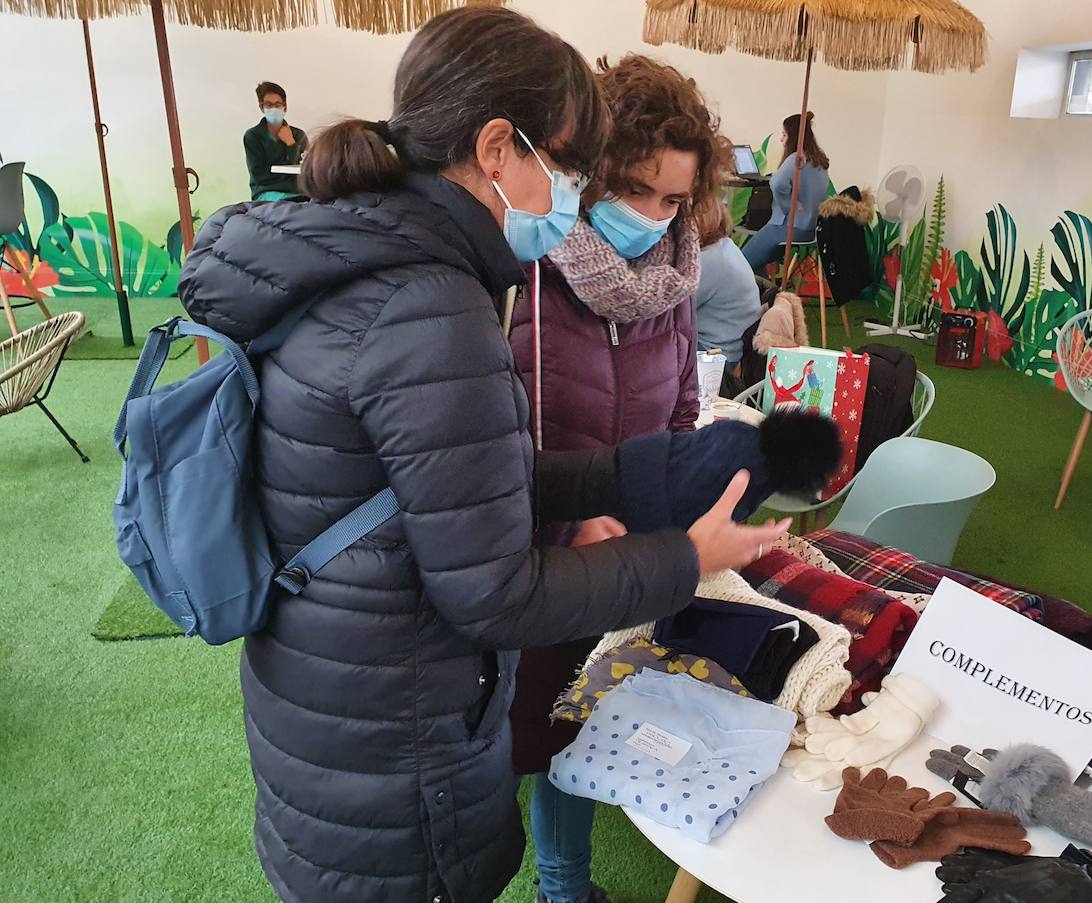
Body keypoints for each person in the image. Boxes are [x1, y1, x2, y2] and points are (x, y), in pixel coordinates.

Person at [176, 9, 788, 903]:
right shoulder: (435, 311)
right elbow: (493, 588)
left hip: (335, 688)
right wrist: (684, 558)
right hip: (399, 731)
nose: (574, 194)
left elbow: (458, 479)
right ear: (499, 147)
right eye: (574, 167)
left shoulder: (355, 253)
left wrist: (634, 473)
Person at [506, 53, 731, 903]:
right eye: (635, 189)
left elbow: (678, 415)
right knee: (510, 726)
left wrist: (668, 501)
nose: (653, 215)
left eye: (674, 198)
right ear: (588, 170)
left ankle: (563, 886)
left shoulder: (676, 279)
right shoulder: (520, 268)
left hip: (625, 555)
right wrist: (569, 525)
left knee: (579, 721)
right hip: (523, 551)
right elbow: (480, 446)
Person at [741, 111, 831, 271]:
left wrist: (788, 205)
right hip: (811, 232)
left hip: (787, 228)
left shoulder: (797, 159)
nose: (781, 139)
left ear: (794, 136)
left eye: (784, 134)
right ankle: (764, 292)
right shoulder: (820, 160)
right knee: (759, 260)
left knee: (742, 262)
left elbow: (776, 183)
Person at [695, 197, 762, 367]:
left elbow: (668, 310)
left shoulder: (709, 260)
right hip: (731, 346)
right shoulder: (724, 247)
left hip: (714, 355)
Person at [243, 81, 307, 201]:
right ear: (261, 107)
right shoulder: (253, 136)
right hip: (266, 191)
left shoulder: (299, 135)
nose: (274, 109)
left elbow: (304, 169)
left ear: (285, 106)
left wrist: (291, 144)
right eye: (269, 105)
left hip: (299, 192)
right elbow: (259, 176)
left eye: (277, 105)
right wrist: (287, 175)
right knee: (290, 206)